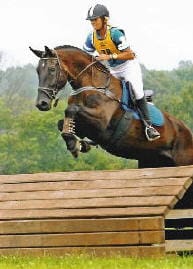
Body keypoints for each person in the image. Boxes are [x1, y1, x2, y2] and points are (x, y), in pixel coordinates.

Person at [83, 4, 160, 141]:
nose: (93, 22)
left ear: (104, 19)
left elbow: (130, 54)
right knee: (102, 93)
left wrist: (109, 57)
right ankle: (97, 129)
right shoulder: (91, 38)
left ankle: (149, 127)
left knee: (136, 91)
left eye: (95, 19)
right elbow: (86, 54)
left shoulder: (115, 33)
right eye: (91, 20)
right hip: (112, 69)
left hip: (128, 66)